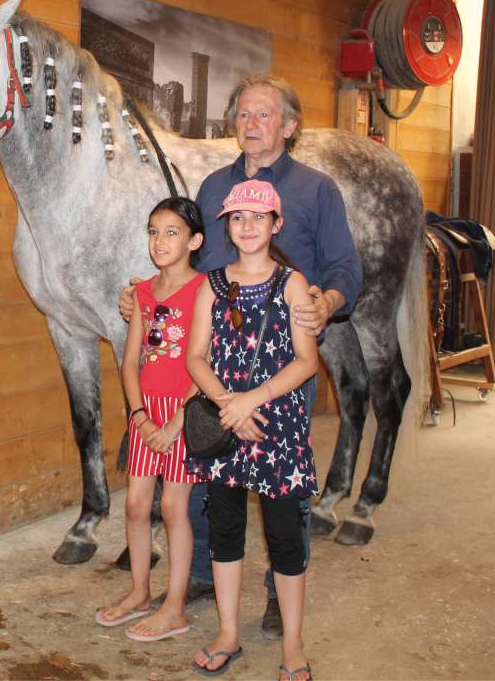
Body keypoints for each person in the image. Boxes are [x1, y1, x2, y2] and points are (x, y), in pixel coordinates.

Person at [119, 73, 361, 638]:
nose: (251, 125)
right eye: (243, 115)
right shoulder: (212, 189)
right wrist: (145, 296)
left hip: (282, 362)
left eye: (264, 115)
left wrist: (326, 301)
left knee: (284, 487)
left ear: (290, 126)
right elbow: (188, 267)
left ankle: (281, 589)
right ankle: (203, 572)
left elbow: (345, 267)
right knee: (206, 467)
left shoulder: (315, 190)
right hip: (215, 364)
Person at [186, 180, 319, 679]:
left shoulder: (292, 283)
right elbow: (195, 355)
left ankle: (293, 644)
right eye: (238, 217)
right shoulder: (212, 283)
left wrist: (252, 401)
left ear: (275, 224)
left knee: (286, 536)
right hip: (225, 426)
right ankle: (227, 632)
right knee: (225, 532)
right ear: (227, 225)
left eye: (258, 217)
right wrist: (227, 405)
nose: (247, 226)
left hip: (276, 427)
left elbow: (306, 361)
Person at [96, 197, 205, 642]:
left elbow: (206, 363)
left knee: (172, 508)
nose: (160, 241)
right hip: (146, 415)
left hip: (184, 413)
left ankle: (175, 607)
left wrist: (177, 422)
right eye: (154, 231)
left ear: (195, 240)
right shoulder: (142, 292)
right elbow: (129, 363)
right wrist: (139, 416)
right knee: (137, 505)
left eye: (172, 232)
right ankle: (140, 592)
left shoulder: (205, 291)